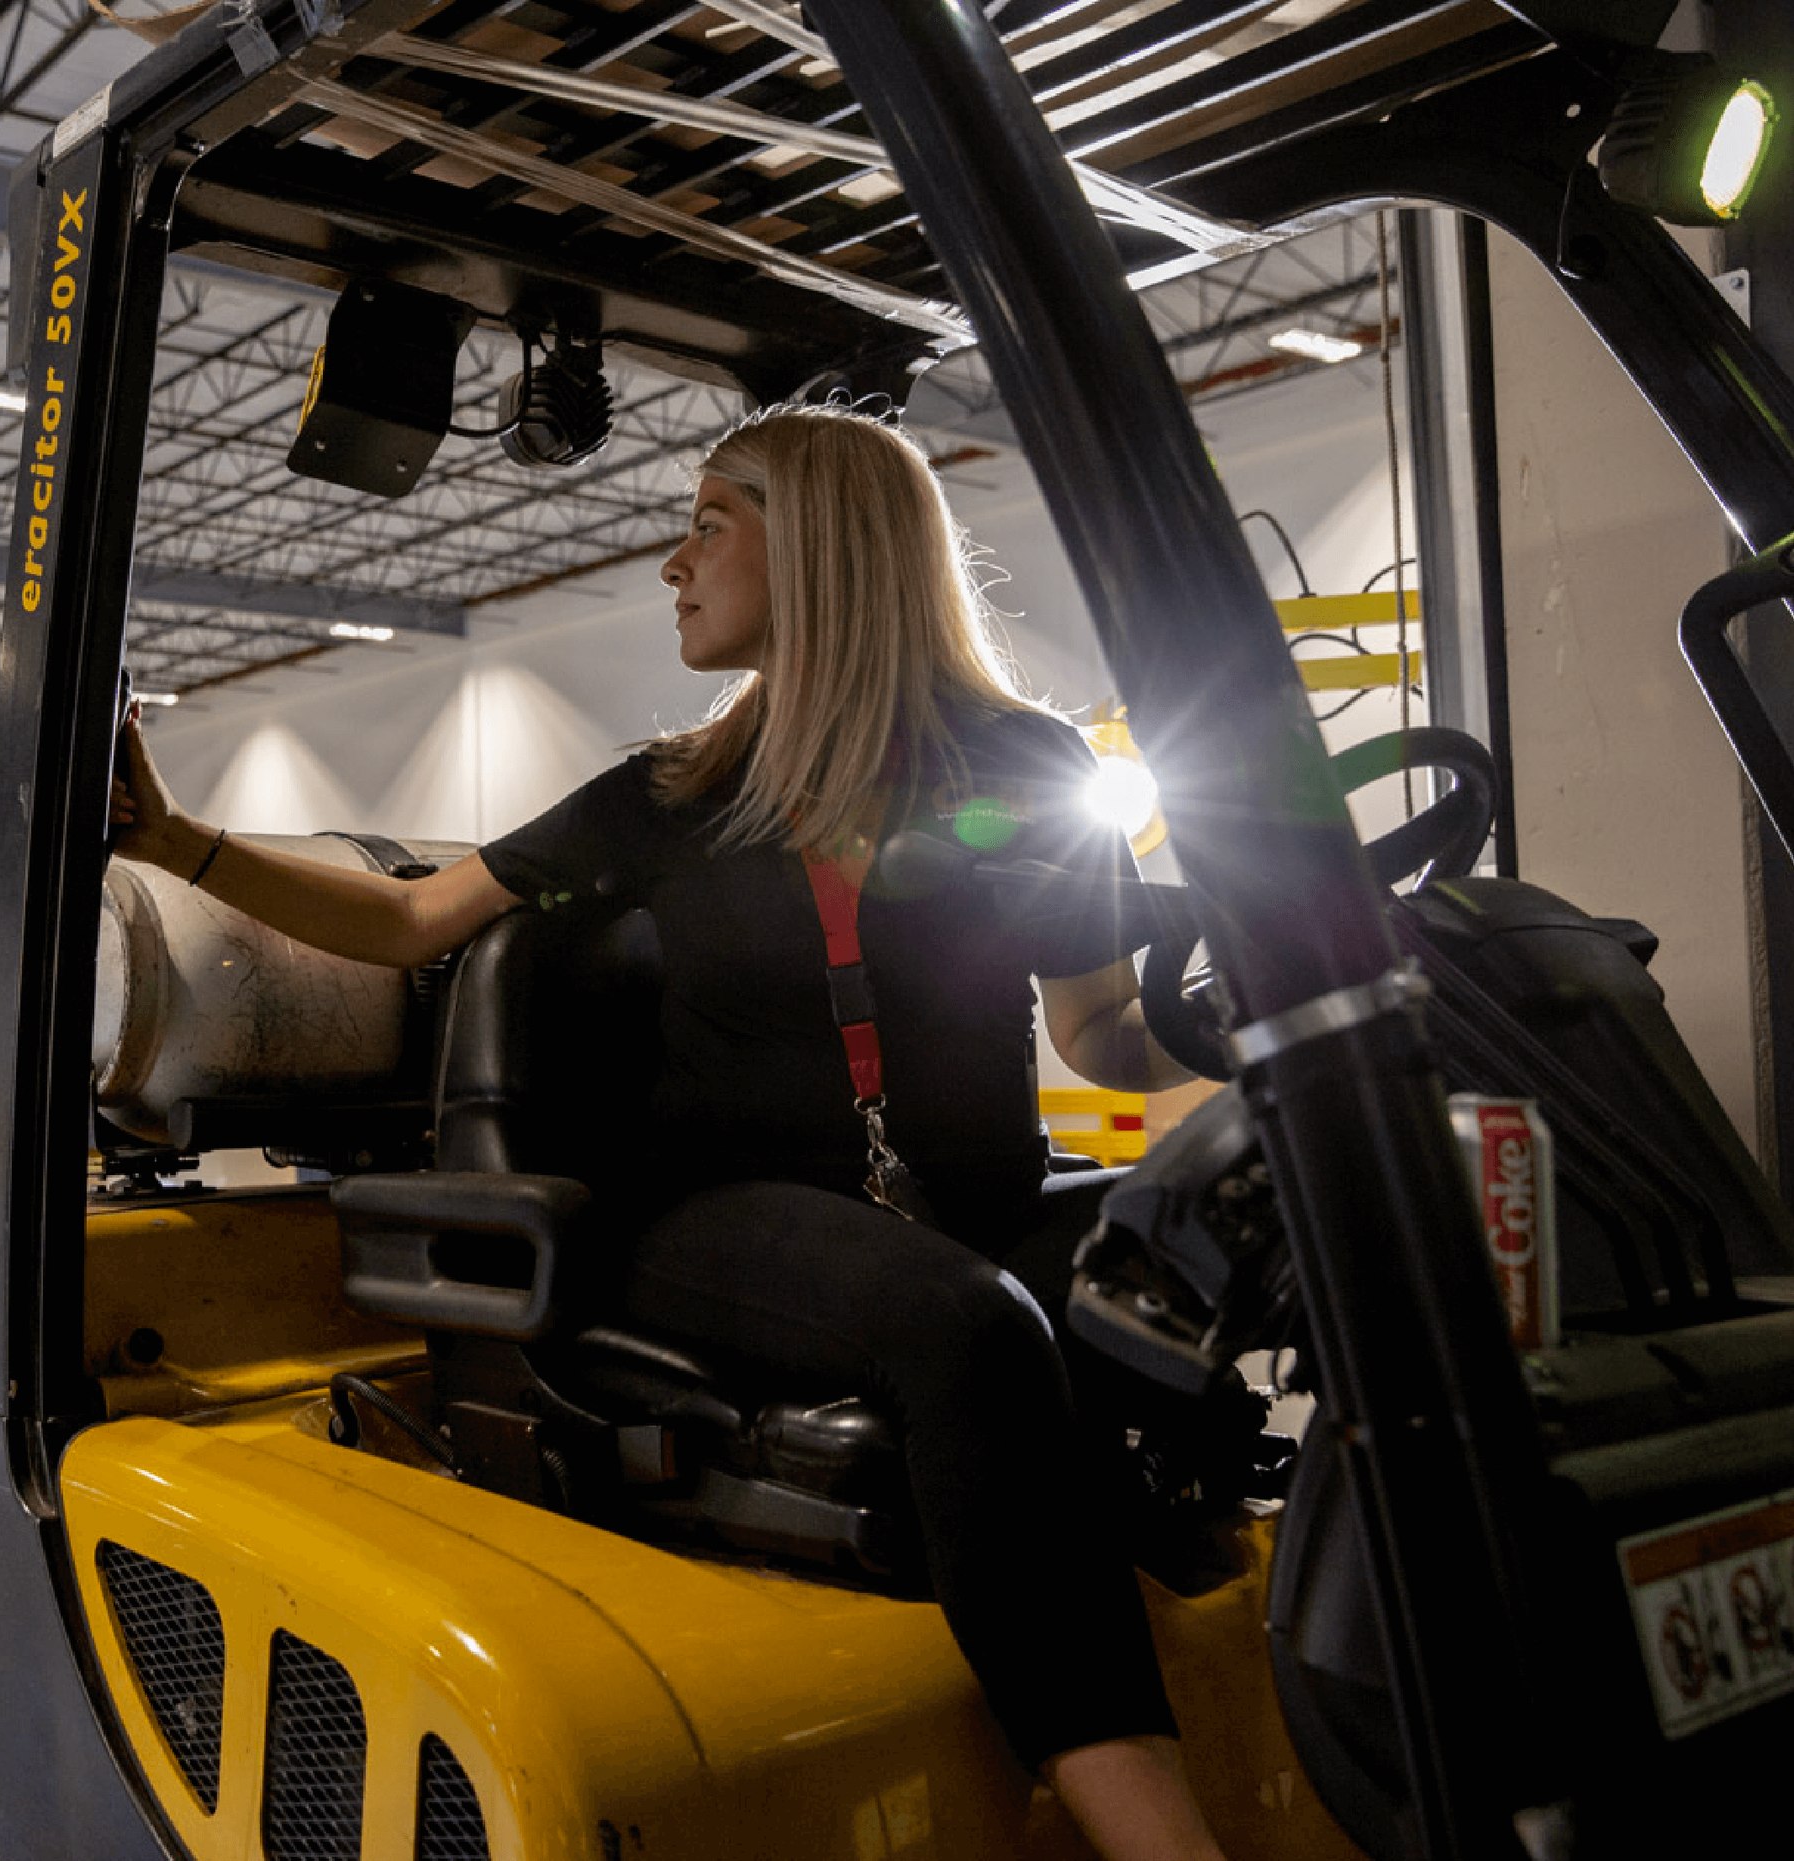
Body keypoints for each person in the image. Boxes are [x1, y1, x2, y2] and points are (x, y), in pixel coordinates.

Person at [109, 402, 1221, 1861]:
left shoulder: (1026, 762)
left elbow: (1104, 1034)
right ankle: (1154, 1828)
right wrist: (174, 838)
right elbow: (403, 922)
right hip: (718, 1217)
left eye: (710, 520)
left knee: (1242, 1242)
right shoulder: (670, 791)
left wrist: (1265, 1084)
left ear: (819, 543)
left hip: (962, 1205)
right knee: (968, 1328)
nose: (672, 563)